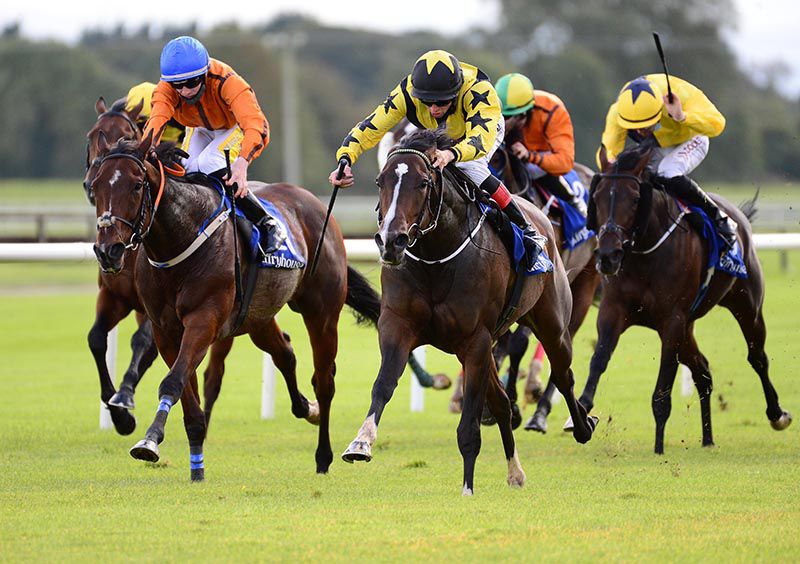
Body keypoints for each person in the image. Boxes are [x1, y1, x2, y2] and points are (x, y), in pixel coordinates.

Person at [329, 49, 547, 267]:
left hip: (480, 129)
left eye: (441, 102)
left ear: (455, 92)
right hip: (443, 130)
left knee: (470, 167)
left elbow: (481, 139)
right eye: (426, 102)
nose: (433, 109)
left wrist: (451, 154)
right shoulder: (406, 92)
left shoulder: (480, 92)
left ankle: (527, 230)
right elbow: (371, 127)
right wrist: (346, 159)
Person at [143, 36, 284, 253]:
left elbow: (256, 125)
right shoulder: (166, 89)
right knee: (187, 167)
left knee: (209, 161)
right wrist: (144, 149)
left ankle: (266, 222)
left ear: (205, 74)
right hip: (198, 127)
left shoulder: (227, 81)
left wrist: (242, 162)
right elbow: (157, 120)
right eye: (177, 85)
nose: (185, 91)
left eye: (191, 83)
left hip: (234, 126)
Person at [599, 74, 736, 249]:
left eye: (647, 125)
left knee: (667, 171)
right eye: (635, 128)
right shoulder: (617, 112)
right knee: (634, 176)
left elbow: (718, 124)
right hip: (659, 143)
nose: (640, 132)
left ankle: (718, 218)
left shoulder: (680, 92)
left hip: (693, 136)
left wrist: (682, 116)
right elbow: (609, 154)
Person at [494, 72, 586, 215]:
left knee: (532, 168)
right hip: (511, 151)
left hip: (542, 156)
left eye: (506, 117)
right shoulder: (491, 108)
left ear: (523, 115)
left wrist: (530, 156)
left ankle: (572, 200)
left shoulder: (552, 109)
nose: (501, 121)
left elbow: (565, 162)